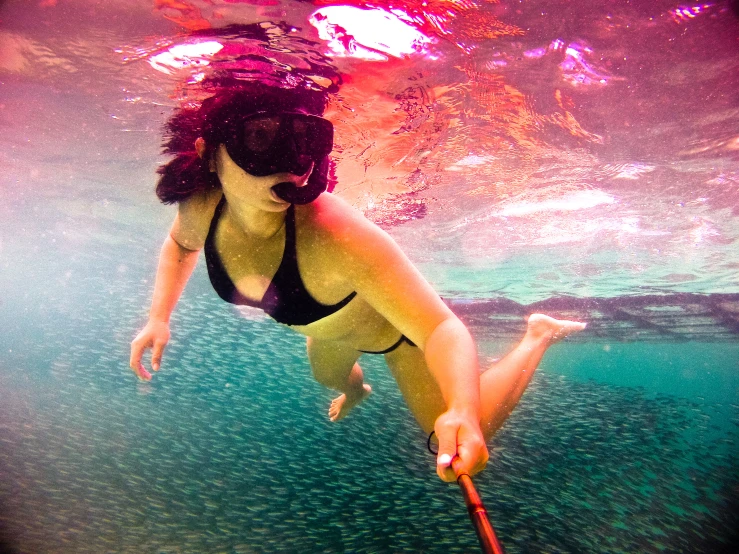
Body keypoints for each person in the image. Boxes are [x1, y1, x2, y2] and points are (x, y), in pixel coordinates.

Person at [129, 82, 586, 482]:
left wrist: (461, 410)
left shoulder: (335, 234)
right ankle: (356, 390)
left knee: (460, 432)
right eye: (261, 137)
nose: (292, 162)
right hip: (323, 331)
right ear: (211, 152)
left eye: (305, 139)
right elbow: (180, 246)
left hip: (397, 337)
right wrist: (158, 318)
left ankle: (536, 336)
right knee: (329, 376)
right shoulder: (202, 208)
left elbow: (439, 329)